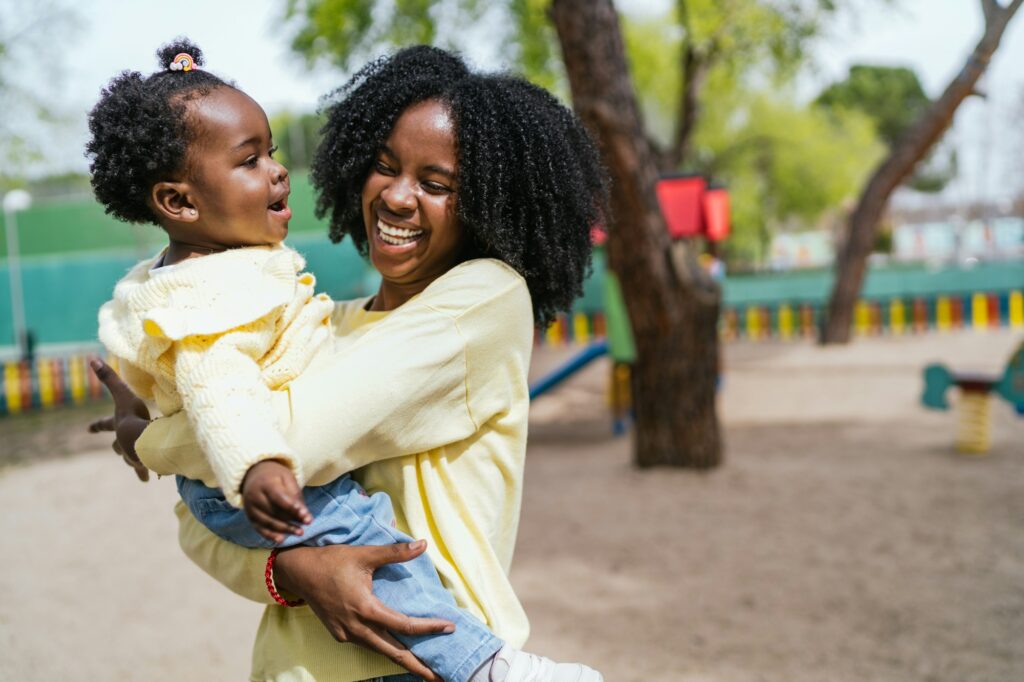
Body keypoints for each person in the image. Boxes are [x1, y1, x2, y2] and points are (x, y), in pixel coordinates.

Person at [90, 44, 607, 682]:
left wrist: (150, 443)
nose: (396, 197)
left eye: (436, 184)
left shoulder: (482, 301)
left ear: (490, 202)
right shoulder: (318, 326)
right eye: (384, 167)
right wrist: (292, 572)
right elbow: (196, 516)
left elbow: (287, 437)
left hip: (428, 661)